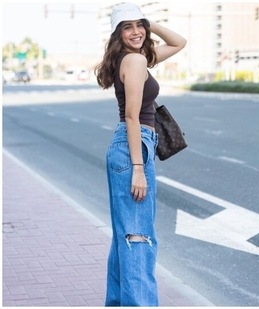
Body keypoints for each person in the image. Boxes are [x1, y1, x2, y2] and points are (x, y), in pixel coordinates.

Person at [95, 2, 186, 306]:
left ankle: (119, 303)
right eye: (127, 27)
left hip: (130, 145)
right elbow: (132, 116)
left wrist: (152, 24)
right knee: (138, 238)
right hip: (134, 147)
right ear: (117, 34)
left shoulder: (135, 57)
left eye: (139, 25)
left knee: (127, 236)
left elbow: (179, 43)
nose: (135, 32)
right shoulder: (133, 61)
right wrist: (138, 167)